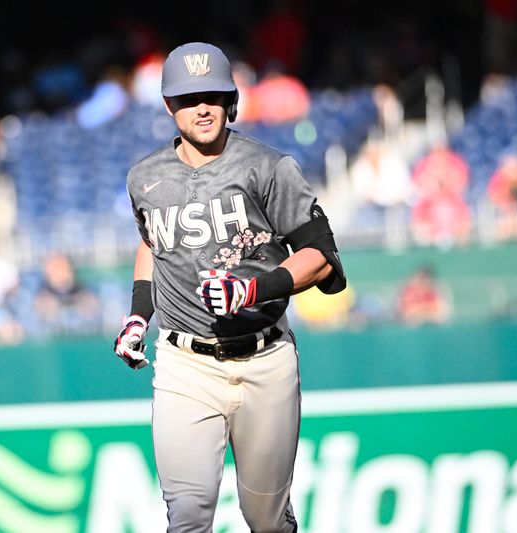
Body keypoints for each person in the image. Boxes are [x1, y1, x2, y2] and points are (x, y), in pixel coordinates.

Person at [112, 42, 346, 533]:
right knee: (189, 517)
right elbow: (152, 243)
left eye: (214, 95)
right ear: (169, 105)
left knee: (265, 518)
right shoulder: (145, 177)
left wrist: (253, 290)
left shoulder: (267, 166)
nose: (203, 107)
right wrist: (139, 314)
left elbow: (321, 258)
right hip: (184, 365)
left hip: (265, 361)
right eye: (189, 97)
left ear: (231, 100)